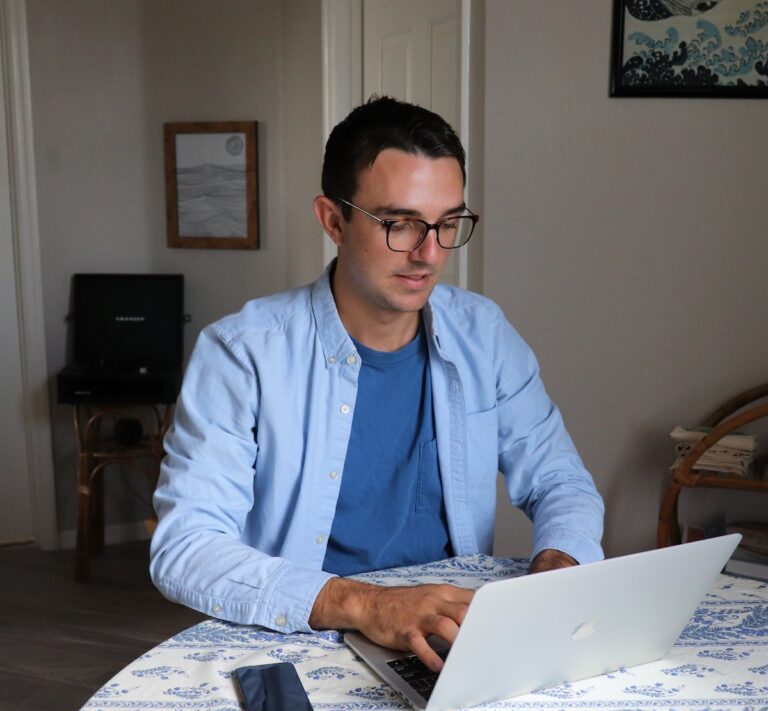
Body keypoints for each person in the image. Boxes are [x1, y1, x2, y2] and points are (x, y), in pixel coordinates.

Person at [150, 96, 604, 672]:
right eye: (400, 224)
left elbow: (561, 480)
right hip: (300, 641)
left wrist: (560, 567)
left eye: (447, 224)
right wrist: (365, 604)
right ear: (332, 220)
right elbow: (185, 549)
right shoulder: (242, 353)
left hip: (450, 641)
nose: (429, 254)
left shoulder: (483, 333)